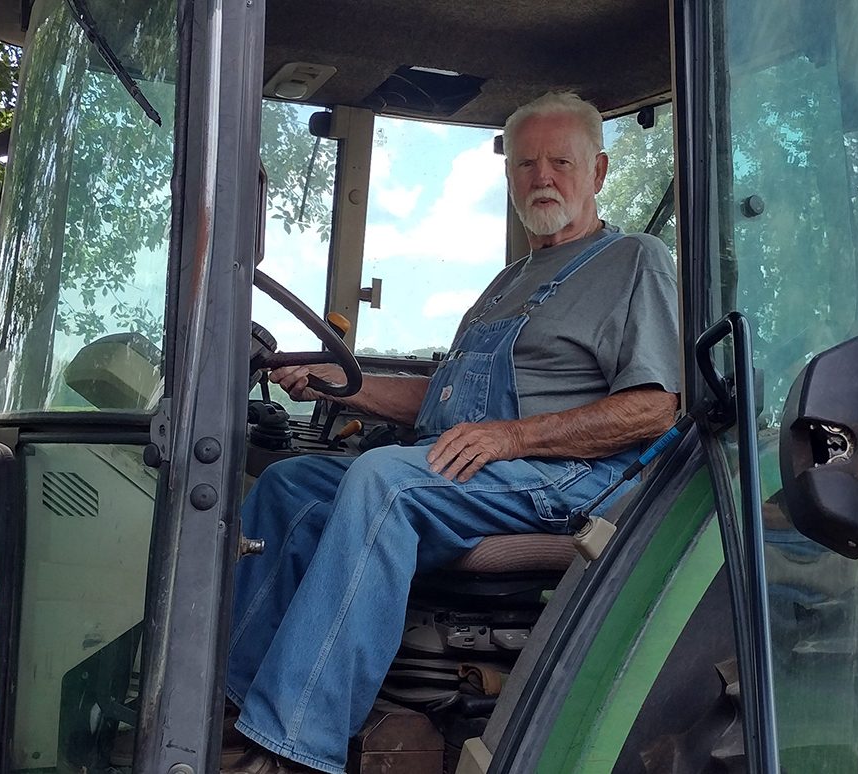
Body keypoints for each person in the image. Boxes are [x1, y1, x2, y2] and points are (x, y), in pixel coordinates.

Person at [224, 92, 680, 774]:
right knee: (292, 484)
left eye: (561, 161)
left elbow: (655, 409)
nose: (542, 177)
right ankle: (230, 702)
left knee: (385, 482)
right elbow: (437, 402)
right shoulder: (506, 284)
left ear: (600, 171)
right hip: (472, 465)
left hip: (566, 477)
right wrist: (330, 380)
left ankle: (294, 749)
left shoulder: (634, 262)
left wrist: (511, 437)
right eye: (526, 163)